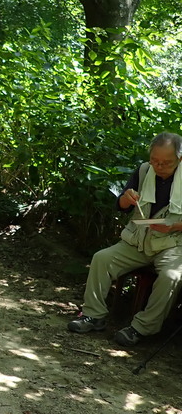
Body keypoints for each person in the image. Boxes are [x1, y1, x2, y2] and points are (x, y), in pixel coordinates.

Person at [68, 132, 182, 347]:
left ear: (180, 158)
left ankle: (142, 328)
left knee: (172, 276)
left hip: (173, 244)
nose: (159, 166)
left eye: (166, 163)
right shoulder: (144, 170)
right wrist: (126, 199)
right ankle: (93, 316)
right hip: (138, 240)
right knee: (102, 258)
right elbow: (121, 206)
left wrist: (175, 226)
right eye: (154, 160)